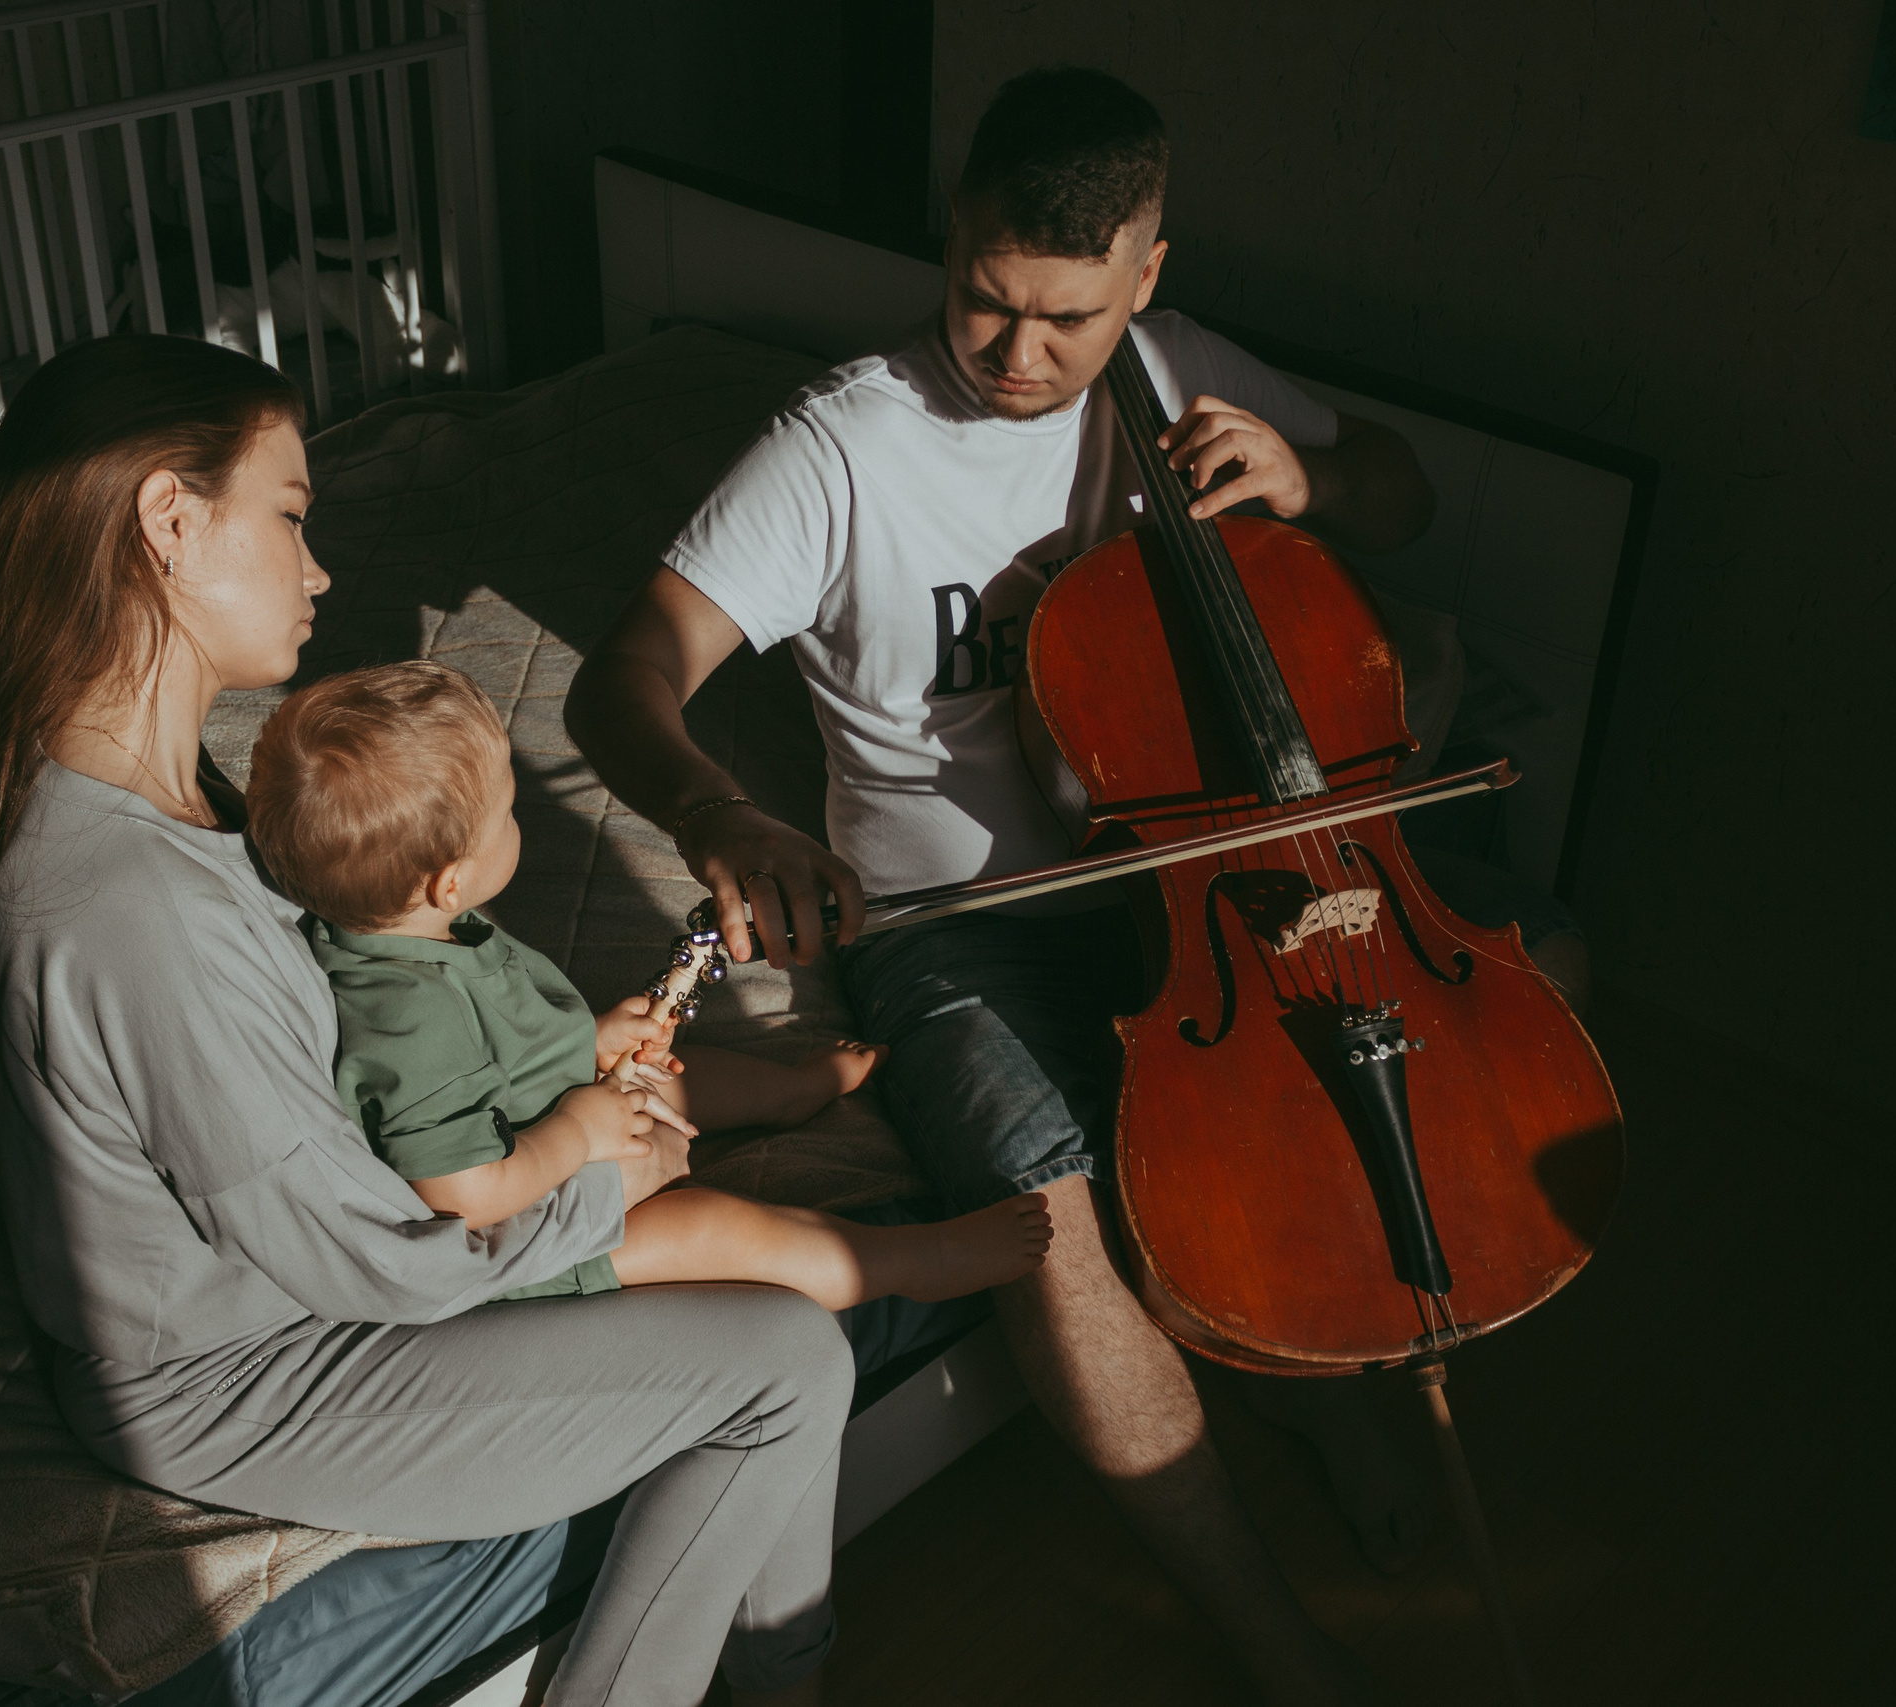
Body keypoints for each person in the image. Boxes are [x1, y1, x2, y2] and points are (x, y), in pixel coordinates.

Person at [566, 67, 1442, 1705]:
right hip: (946, 933)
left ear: (1147, 275)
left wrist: (1313, 481)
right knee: (1047, 1224)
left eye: (1068, 319)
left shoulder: (1177, 374)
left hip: (1186, 872)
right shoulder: (843, 443)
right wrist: (718, 811)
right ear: (952, 240)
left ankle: (1326, 1384)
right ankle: (1273, 1632)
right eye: (983, 303)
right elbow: (626, 674)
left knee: (1320, 1091)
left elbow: (1405, 488)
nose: (1022, 360)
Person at [0, 332, 855, 1707]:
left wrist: (559, 1079)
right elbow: (378, 1258)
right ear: (171, 524)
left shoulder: (169, 800)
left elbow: (329, 1070)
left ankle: (785, 1676)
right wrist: (598, 1184)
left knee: (772, 1321)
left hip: (291, 1299)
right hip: (250, 1370)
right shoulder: (125, 907)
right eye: (291, 518)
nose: (320, 569)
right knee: (785, 1360)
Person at [243, 658, 1053, 1310]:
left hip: (557, 1115)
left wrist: (591, 1042)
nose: (519, 825)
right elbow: (460, 1193)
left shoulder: (403, 924)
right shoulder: (409, 1019)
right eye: (509, 815)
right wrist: (579, 1134)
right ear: (449, 881)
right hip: (542, 1234)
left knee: (685, 1070)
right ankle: (914, 1257)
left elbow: (504, 1051)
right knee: (723, 1230)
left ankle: (790, 1090)